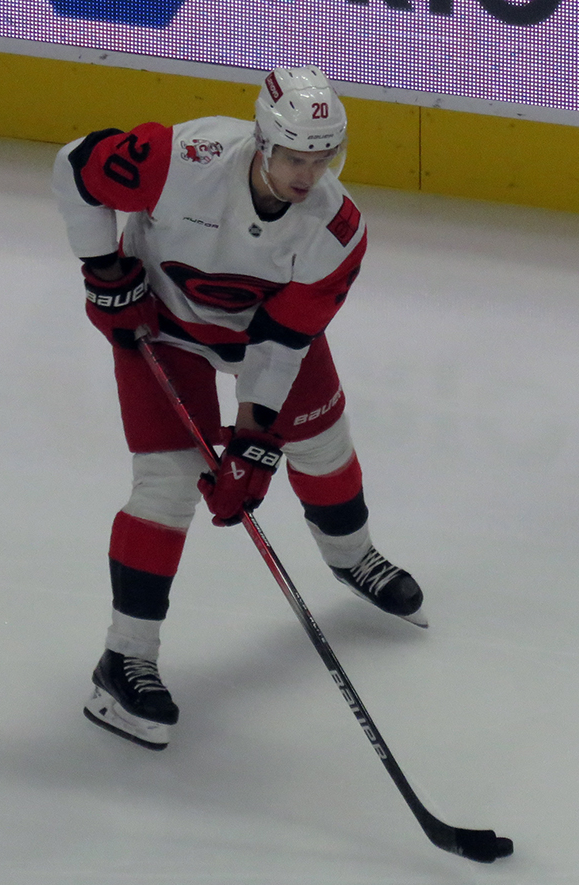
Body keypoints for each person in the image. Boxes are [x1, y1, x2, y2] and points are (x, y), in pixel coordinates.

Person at [52, 65, 424, 751]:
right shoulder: (181, 159)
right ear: (261, 141)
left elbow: (283, 343)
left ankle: (353, 556)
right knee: (166, 485)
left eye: (322, 159)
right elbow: (75, 165)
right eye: (293, 157)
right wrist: (105, 272)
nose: (307, 176)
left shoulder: (335, 231)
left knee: (322, 445)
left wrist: (253, 443)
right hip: (160, 327)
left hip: (255, 337)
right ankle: (123, 659)